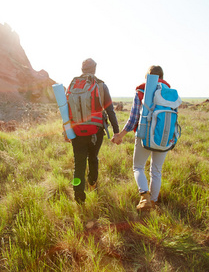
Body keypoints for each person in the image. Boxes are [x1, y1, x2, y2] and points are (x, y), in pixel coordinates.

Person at [112, 65, 170, 211]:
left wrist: (120, 135)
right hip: (163, 137)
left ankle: (144, 198)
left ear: (148, 77)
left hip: (144, 136)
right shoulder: (170, 92)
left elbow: (133, 119)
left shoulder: (141, 91)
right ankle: (154, 202)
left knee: (138, 167)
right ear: (162, 77)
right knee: (156, 170)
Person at [65, 58, 119, 204]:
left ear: (82, 69)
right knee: (93, 157)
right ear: (94, 69)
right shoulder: (101, 85)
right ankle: (92, 183)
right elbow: (110, 110)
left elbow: (65, 110)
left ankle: (78, 195)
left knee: (79, 162)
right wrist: (116, 131)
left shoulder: (73, 84)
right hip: (96, 130)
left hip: (76, 130)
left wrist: (66, 130)